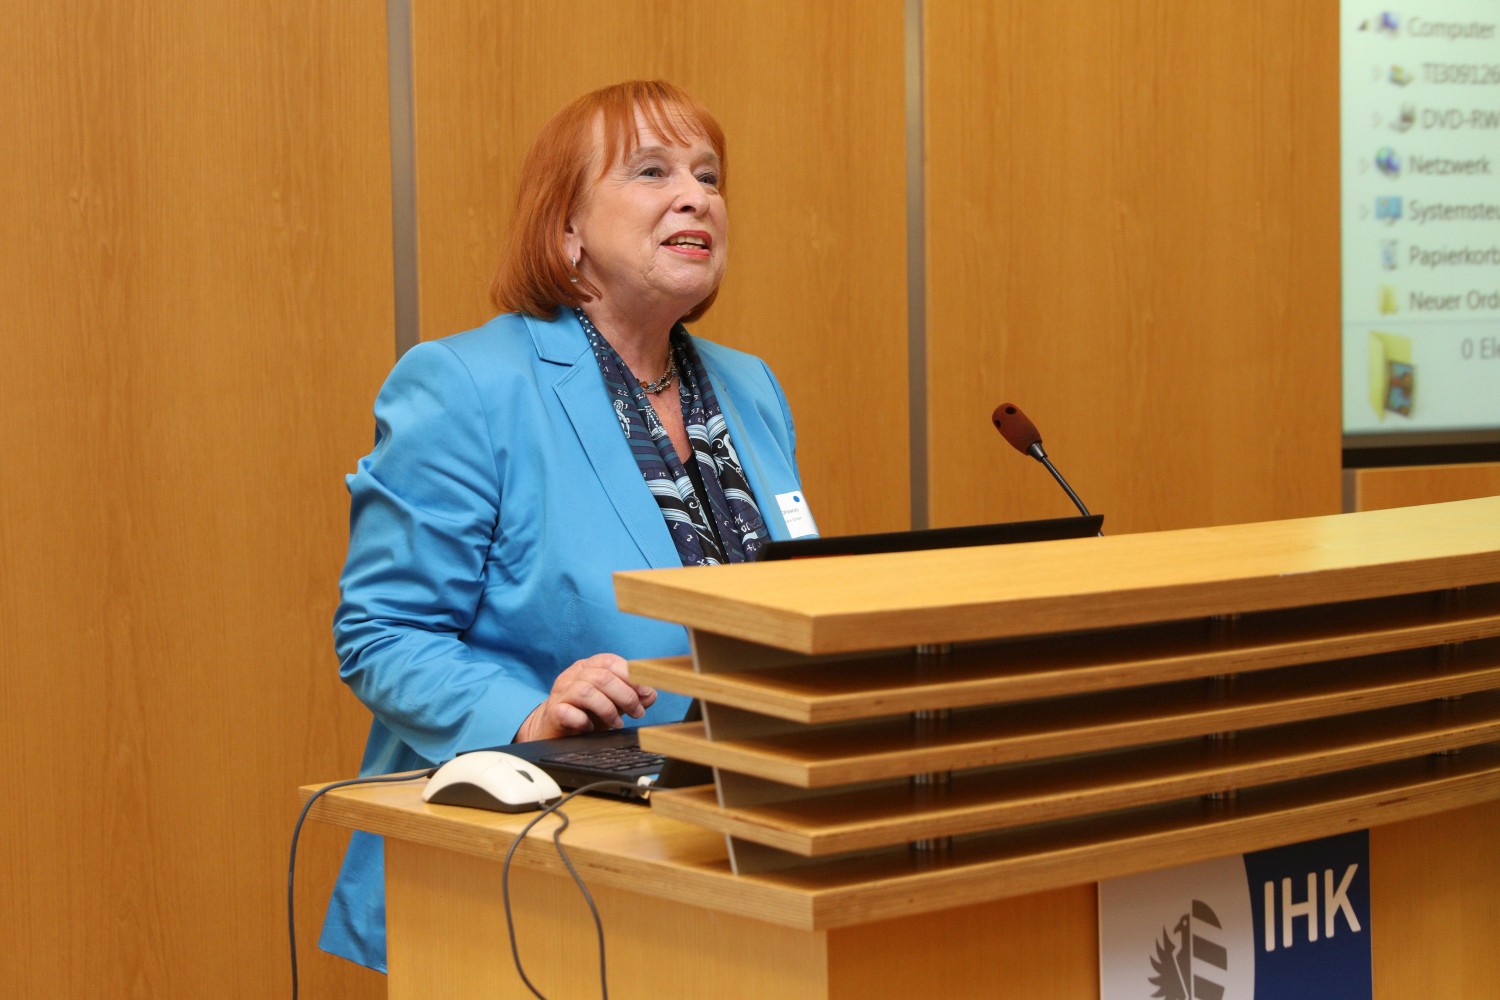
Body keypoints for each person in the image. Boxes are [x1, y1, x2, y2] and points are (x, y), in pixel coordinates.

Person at [318, 80, 814, 972]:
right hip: (524, 874)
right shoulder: (467, 384)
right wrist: (530, 715)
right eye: (652, 172)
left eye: (708, 176)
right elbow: (383, 634)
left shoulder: (751, 387)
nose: (695, 196)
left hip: (734, 852)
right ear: (568, 229)